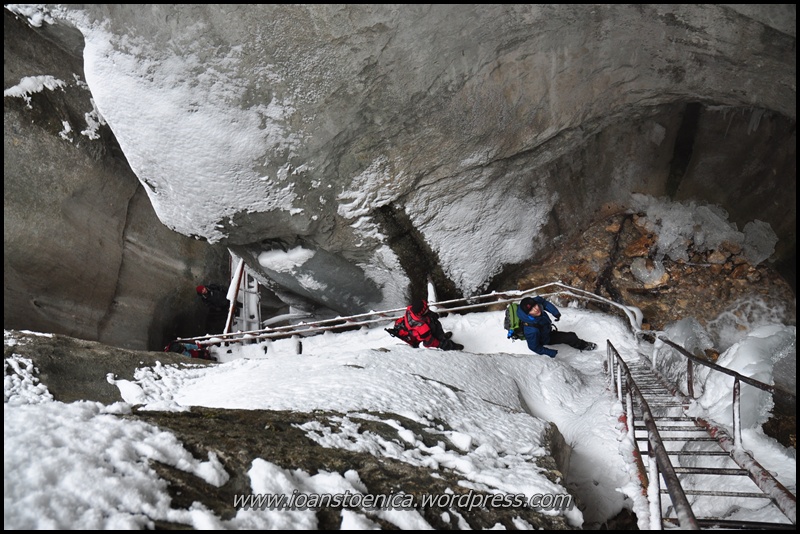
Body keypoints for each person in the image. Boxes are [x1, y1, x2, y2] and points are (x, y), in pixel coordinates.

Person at [516, 296, 596, 358]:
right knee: (571, 337)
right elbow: (534, 347)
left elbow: (543, 302)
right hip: (545, 338)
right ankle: (583, 345)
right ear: (528, 314)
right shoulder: (532, 330)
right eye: (531, 310)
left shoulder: (533, 306)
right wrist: (550, 352)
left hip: (545, 329)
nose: (536, 309)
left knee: (570, 336)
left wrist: (555, 312)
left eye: (535, 306)